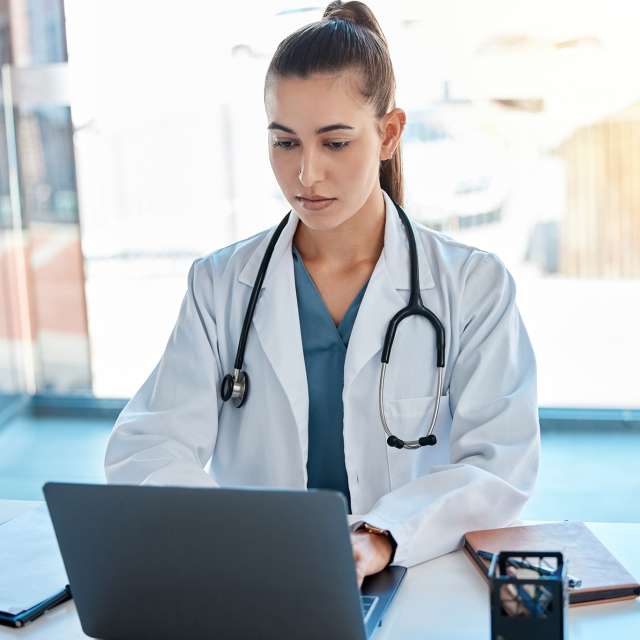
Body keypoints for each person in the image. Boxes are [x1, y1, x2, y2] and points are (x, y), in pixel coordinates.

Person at [104, 0, 540, 589]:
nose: (306, 175)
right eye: (285, 143)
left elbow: (501, 464)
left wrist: (384, 535)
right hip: (259, 580)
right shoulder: (219, 286)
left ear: (388, 134)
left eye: (334, 143)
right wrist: (229, 529)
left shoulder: (473, 284)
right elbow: (147, 445)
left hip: (417, 575)